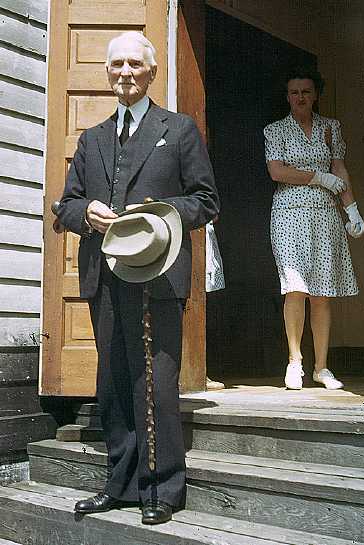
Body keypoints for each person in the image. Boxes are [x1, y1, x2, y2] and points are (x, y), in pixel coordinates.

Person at [57, 31, 219, 524]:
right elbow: (64, 206)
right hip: (106, 279)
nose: (125, 72)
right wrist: (88, 213)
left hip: (158, 276)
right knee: (112, 383)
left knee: (156, 383)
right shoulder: (93, 138)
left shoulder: (181, 130)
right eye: (116, 65)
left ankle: (161, 490)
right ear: (108, 74)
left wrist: (158, 213)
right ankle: (119, 484)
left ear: (151, 73)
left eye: (134, 64)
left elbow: (205, 201)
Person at [264, 67, 364, 391]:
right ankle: (295, 362)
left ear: (316, 95)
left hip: (325, 215)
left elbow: (339, 168)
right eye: (294, 92)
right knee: (295, 287)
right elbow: (277, 171)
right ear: (287, 96)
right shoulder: (276, 130)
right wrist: (316, 177)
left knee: (322, 293)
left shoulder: (330, 128)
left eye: (306, 92)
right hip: (289, 213)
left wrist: (351, 209)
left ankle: (322, 366)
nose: (300, 98)